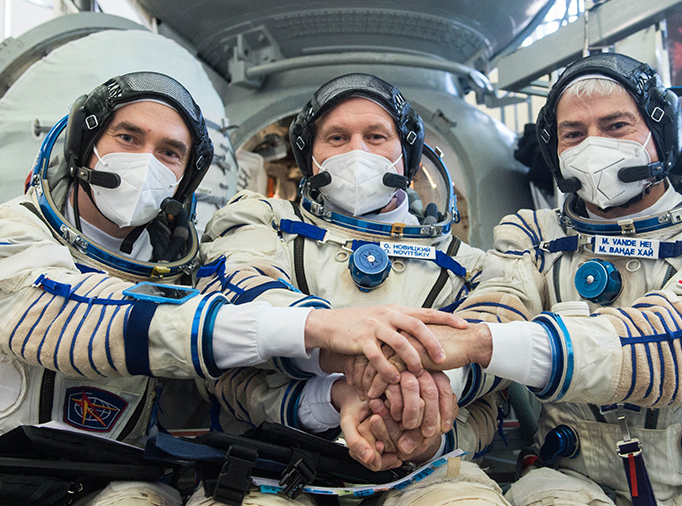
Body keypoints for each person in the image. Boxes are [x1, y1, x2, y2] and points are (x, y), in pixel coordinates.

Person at [0, 72, 464, 505]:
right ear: (86, 150)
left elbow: (226, 389)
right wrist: (315, 325)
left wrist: (338, 395)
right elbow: (70, 319)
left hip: (116, 481)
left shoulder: (182, 273)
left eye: (169, 153)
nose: (146, 163)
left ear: (183, 179)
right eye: (128, 138)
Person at [351, 53, 682, 505]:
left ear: (661, 135)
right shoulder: (533, 237)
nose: (593, 145)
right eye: (573, 133)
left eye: (616, 126)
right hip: (574, 484)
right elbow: (495, 309)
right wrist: (413, 398)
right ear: (555, 153)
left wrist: (483, 343)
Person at [196, 73, 511, 505]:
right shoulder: (259, 221)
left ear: (408, 157)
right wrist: (333, 380)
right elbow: (241, 300)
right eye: (337, 138)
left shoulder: (472, 267)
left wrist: (418, 422)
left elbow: (492, 378)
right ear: (311, 160)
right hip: (272, 462)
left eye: (377, 136)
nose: (357, 152)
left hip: (427, 467)